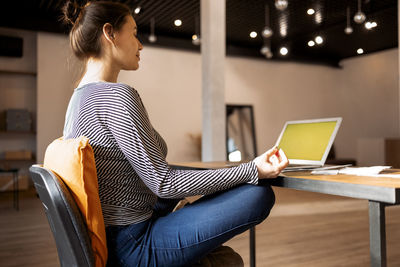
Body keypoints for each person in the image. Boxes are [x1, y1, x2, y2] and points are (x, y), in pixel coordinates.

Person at [62, 1, 289, 266]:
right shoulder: (116, 96)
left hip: (119, 232)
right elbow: (163, 183)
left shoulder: (78, 99)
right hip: (132, 243)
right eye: (134, 33)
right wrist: (252, 169)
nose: (141, 44)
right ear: (110, 33)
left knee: (227, 252)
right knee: (258, 193)